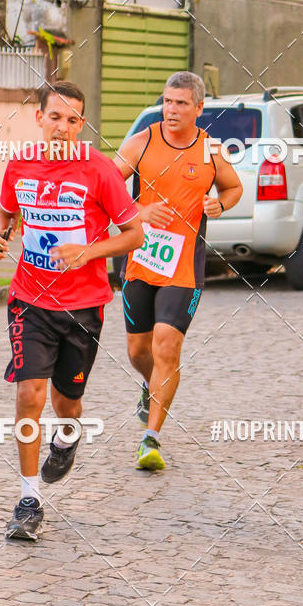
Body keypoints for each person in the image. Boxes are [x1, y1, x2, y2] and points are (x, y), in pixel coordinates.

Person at [0, 81, 143, 541]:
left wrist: (90, 251)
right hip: (29, 301)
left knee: (67, 402)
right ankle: (28, 500)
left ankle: (67, 438)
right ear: (39, 118)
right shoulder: (19, 164)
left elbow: (134, 234)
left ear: (81, 124)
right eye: (55, 116)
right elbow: (5, 215)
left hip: (83, 307)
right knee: (29, 395)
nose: (63, 127)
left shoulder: (99, 170)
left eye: (73, 119)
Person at [114, 71, 242, 470]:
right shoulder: (141, 141)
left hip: (185, 266)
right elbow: (107, 188)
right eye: (168, 101)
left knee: (166, 345)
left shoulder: (210, 150)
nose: (171, 109)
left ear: (199, 109)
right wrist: (138, 209)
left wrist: (222, 204)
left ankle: (151, 439)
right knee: (139, 351)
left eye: (181, 103)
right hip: (139, 259)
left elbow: (233, 187)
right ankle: (148, 387)